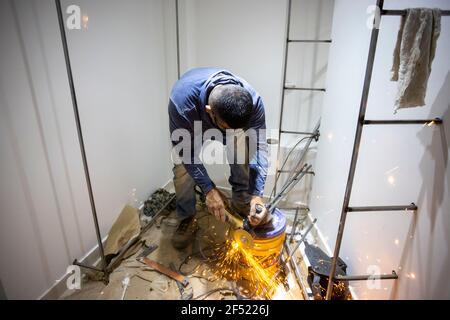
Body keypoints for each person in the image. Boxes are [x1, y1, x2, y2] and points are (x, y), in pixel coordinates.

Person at [168, 67, 268, 249]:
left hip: (225, 120)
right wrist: (208, 189)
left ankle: (242, 203)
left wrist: (257, 194)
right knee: (182, 168)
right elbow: (186, 153)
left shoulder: (254, 101)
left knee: (242, 150)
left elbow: (260, 146)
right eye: (226, 126)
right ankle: (187, 217)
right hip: (192, 125)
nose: (229, 132)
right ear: (209, 111)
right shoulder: (182, 104)